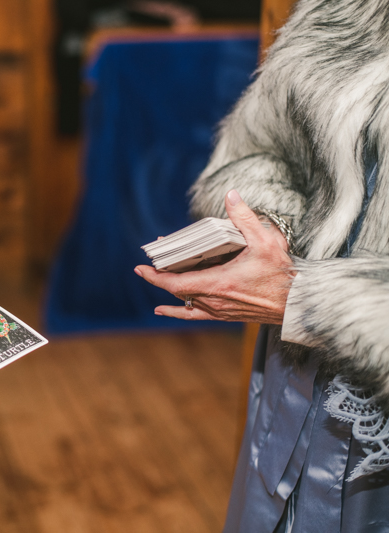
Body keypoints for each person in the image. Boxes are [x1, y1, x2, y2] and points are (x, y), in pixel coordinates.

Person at [137, 0, 389, 531]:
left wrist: (311, 302)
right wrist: (274, 231)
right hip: (293, 383)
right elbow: (256, 150)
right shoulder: (339, 8)